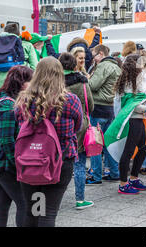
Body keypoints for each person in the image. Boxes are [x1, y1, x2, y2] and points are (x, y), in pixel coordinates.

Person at [14, 57, 83, 227]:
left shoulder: (23, 100)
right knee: (48, 212)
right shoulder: (71, 100)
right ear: (60, 75)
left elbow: (18, 125)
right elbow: (78, 125)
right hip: (60, 160)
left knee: (34, 209)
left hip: (29, 160)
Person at [0, 65, 33, 227]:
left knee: (1, 206)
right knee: (25, 204)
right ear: (21, 83)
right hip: (6, 166)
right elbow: (7, 141)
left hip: (0, 164)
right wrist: (19, 166)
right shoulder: (8, 106)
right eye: (30, 81)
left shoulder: (5, 100)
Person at [110, 54, 146, 195]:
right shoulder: (129, 84)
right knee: (128, 151)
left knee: (144, 148)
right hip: (133, 120)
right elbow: (133, 106)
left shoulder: (131, 80)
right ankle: (123, 183)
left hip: (137, 119)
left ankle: (133, 178)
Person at [59, 53, 95, 210]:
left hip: (58, 124)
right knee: (79, 162)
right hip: (79, 125)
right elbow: (90, 106)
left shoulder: (55, 82)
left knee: (58, 161)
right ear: (75, 65)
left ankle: (54, 197)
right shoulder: (82, 82)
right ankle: (80, 200)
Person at [86, 45, 122, 185]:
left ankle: (95, 175)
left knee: (95, 142)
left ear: (101, 54)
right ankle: (114, 172)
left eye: (94, 55)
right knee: (108, 143)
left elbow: (93, 85)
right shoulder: (117, 67)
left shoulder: (103, 66)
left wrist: (87, 78)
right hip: (111, 108)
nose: (93, 59)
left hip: (98, 107)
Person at [0, 23, 38, 91]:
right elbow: (34, 66)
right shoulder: (27, 45)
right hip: (18, 83)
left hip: (0, 84)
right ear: (18, 33)